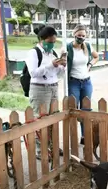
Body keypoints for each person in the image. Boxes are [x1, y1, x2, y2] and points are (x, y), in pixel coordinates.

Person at [25, 25, 65, 160]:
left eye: (54, 42)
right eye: (49, 42)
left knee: (53, 118)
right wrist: (50, 65)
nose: (52, 44)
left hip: (53, 87)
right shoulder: (34, 52)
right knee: (40, 120)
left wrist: (62, 66)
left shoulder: (52, 53)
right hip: (40, 89)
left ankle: (52, 146)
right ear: (42, 40)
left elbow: (58, 74)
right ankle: (40, 150)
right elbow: (33, 73)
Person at [66, 24, 99, 145]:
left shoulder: (88, 46)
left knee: (86, 109)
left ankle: (85, 136)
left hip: (86, 82)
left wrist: (90, 65)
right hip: (73, 81)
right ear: (74, 34)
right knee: (74, 109)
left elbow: (96, 57)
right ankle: (73, 135)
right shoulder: (68, 48)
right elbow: (63, 61)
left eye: (83, 36)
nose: (81, 38)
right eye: (79, 35)